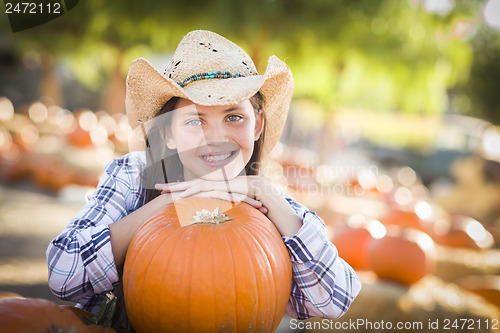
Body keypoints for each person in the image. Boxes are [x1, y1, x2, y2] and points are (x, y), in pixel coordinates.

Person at [47, 30, 361, 328]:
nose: (217, 138)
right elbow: (63, 274)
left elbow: (335, 299)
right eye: (196, 120)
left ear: (257, 125)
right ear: (168, 132)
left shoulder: (264, 201)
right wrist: (166, 204)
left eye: (234, 116)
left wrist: (269, 195)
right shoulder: (135, 174)